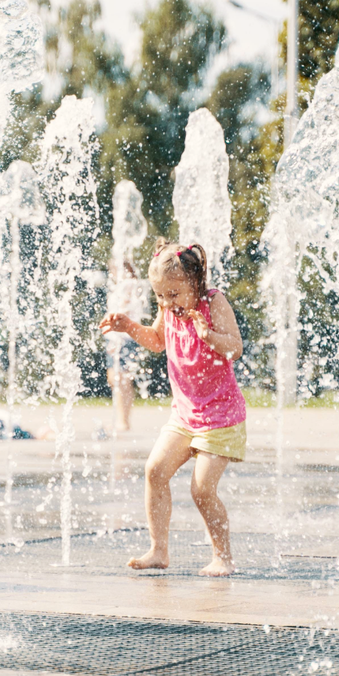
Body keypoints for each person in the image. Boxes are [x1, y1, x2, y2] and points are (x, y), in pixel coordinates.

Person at [98, 239, 246, 577]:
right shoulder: (169, 309)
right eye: (160, 296)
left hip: (220, 416)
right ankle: (158, 550)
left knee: (202, 489)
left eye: (174, 295)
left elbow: (235, 348)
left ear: (195, 282)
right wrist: (128, 326)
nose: (167, 303)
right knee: (155, 471)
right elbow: (157, 340)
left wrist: (210, 336)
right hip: (185, 414)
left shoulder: (213, 302)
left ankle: (223, 556)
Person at [104, 260, 149, 433]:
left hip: (123, 339)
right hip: (118, 338)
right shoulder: (126, 285)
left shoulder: (129, 285)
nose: (113, 273)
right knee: (117, 379)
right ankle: (121, 420)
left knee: (120, 379)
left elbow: (123, 310)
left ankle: (123, 422)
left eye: (115, 269)